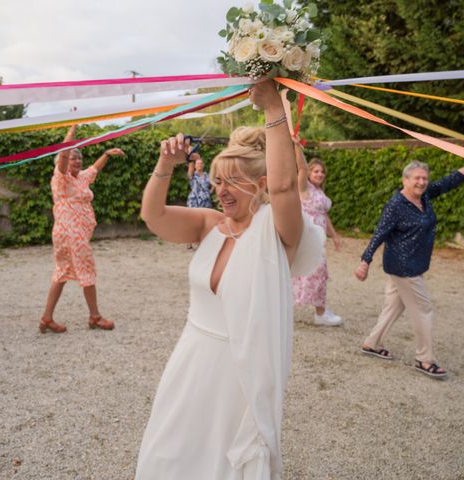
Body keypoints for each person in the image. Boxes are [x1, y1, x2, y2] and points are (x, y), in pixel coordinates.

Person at [136, 80, 324, 479]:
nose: (221, 190)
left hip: (240, 374)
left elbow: (286, 185)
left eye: (232, 181)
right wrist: (165, 166)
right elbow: (153, 217)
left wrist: (275, 110)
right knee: (171, 453)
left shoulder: (278, 235)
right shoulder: (209, 225)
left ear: (259, 186)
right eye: (218, 180)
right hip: (191, 361)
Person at [355, 146, 464, 379]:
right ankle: (424, 359)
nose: (422, 182)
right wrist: (365, 260)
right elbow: (380, 232)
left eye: (424, 178)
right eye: (417, 178)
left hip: (413, 264)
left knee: (394, 306)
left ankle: (372, 343)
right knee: (423, 309)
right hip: (403, 267)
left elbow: (453, 179)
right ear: (405, 180)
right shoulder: (396, 205)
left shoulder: (424, 196)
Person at [39, 124, 125, 333]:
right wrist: (71, 132)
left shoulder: (81, 178)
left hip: (73, 233)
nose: (76, 161)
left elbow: (94, 169)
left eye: (79, 158)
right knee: (86, 270)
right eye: (73, 158)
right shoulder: (61, 178)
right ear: (65, 162)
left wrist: (106, 154)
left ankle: (47, 318)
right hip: (71, 234)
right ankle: (95, 316)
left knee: (62, 272)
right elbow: (63, 155)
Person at [292, 138, 343, 326]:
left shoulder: (320, 193)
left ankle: (319, 311)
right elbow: (302, 169)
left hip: (319, 238)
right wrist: (297, 147)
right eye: (316, 171)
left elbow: (325, 216)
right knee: (314, 271)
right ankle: (320, 313)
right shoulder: (304, 189)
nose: (319, 174)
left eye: (322, 171)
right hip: (307, 236)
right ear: (310, 173)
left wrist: (335, 236)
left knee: (313, 272)